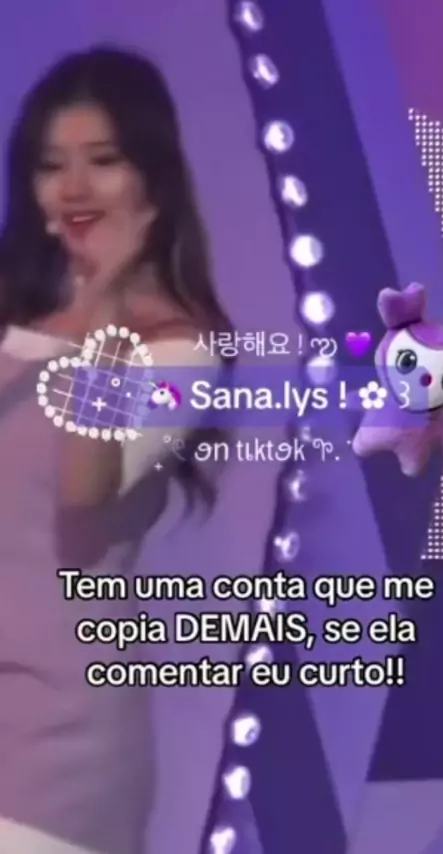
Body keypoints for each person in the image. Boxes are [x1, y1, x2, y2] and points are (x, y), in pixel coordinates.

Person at [0, 45, 233, 854]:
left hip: (57, 743)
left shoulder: (178, 348)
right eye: (51, 166)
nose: (73, 188)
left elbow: (84, 484)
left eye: (102, 161)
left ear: (151, 180)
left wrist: (102, 316)